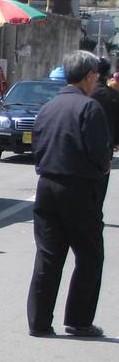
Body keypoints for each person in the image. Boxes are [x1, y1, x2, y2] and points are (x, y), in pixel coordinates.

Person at [26, 50, 112, 338]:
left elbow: (36, 146)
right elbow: (101, 155)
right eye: (95, 76)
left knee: (48, 256)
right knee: (89, 256)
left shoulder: (48, 107)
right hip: (78, 188)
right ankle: (78, 320)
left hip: (47, 184)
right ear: (88, 76)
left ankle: (38, 322)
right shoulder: (90, 108)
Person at [90, 57, 119, 151]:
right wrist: (116, 141)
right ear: (107, 74)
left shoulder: (86, 92)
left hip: (86, 141)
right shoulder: (114, 95)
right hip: (106, 142)